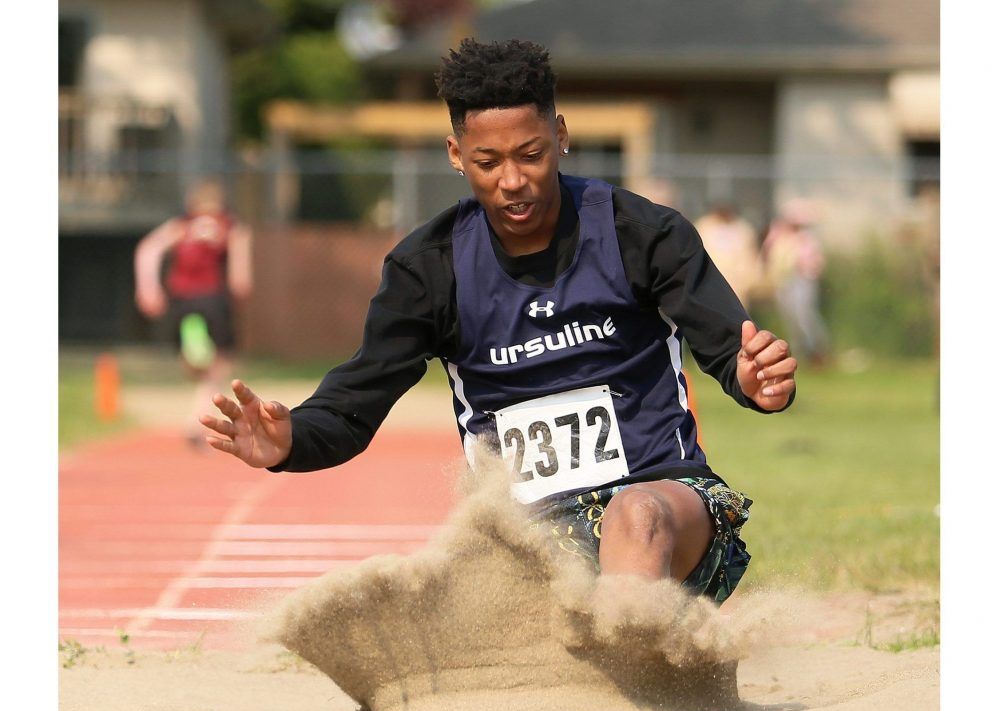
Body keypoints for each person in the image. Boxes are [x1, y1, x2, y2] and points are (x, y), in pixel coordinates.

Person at [201, 39, 797, 605]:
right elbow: (356, 403)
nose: (513, 180)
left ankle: (635, 668)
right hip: (530, 534)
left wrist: (754, 382)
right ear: (458, 156)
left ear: (560, 137)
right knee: (445, 610)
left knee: (634, 518)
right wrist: (289, 441)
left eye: (530, 155)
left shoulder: (642, 234)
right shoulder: (428, 269)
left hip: (666, 510)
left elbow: (730, 348)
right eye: (488, 161)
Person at [134, 178, 253, 444]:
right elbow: (240, 276)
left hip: (181, 299)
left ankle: (195, 358)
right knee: (219, 363)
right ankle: (197, 415)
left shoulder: (181, 225)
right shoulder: (230, 226)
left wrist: (148, 288)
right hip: (212, 297)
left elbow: (148, 249)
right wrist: (239, 287)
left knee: (197, 365)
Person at [761, 199, 830, 367]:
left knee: (805, 315)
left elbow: (815, 262)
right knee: (790, 317)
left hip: (802, 279)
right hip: (782, 281)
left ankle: (817, 350)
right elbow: (769, 255)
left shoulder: (806, 239)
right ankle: (799, 352)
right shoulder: (778, 234)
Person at [694, 202, 762, 310]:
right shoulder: (704, 227)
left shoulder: (743, 229)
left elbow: (750, 258)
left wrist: (750, 281)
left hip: (737, 285)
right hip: (710, 284)